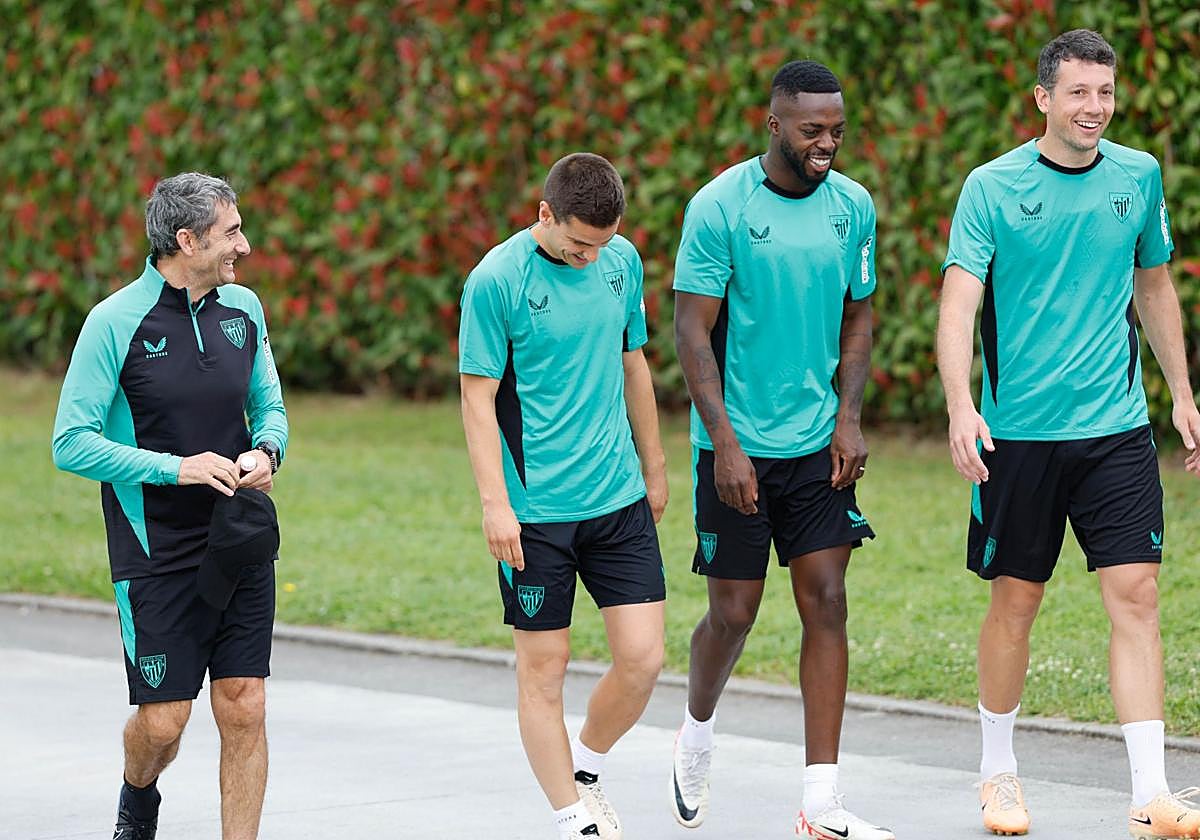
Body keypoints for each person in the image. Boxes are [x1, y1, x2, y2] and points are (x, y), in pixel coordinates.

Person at [937, 28, 1200, 839]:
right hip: (1016, 435)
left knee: (1139, 594)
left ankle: (1152, 793)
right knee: (1017, 601)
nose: (1095, 108)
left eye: (1105, 93)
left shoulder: (1138, 176)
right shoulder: (991, 187)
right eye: (1078, 93)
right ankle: (998, 776)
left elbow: (1153, 288)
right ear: (1044, 98)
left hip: (1115, 429)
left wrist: (1182, 394)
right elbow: (958, 303)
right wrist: (958, 405)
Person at [670, 60, 892, 840]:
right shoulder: (720, 207)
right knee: (733, 614)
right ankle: (696, 730)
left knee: (827, 599)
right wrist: (724, 444)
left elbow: (858, 317)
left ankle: (822, 803)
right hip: (735, 446)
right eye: (811, 130)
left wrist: (850, 418)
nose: (827, 141)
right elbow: (692, 330)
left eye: (836, 128)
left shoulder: (853, 206)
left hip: (818, 445)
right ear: (775, 126)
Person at [52, 172, 287, 840]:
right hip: (152, 548)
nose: (244, 243)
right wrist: (175, 469)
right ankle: (138, 792)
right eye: (231, 231)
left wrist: (267, 450)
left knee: (244, 705)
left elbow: (267, 405)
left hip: (237, 538)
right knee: (164, 721)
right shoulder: (114, 323)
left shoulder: (245, 311)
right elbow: (70, 443)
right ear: (186, 240)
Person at [458, 152, 669, 840]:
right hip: (535, 516)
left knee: (642, 661)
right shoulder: (496, 281)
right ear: (544, 214)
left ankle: (584, 767)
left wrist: (656, 467)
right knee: (543, 670)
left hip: (617, 499)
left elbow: (633, 363)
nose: (589, 259)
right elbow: (477, 398)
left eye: (601, 245)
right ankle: (572, 818)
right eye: (578, 243)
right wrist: (495, 503)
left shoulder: (620, 261)